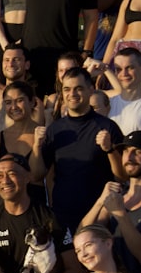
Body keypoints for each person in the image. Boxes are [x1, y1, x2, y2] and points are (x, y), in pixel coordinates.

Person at [33, 67, 125, 232]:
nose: (72, 94)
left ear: (91, 90)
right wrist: (36, 147)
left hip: (99, 218)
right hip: (63, 217)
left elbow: (122, 177)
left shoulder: (107, 127)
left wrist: (110, 150)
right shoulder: (55, 130)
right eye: (67, 89)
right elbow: (37, 174)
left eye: (78, 88)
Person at [80, 129, 141, 273]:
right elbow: (83, 235)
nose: (129, 157)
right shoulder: (116, 197)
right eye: (126, 151)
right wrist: (100, 202)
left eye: (137, 151)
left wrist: (120, 214)